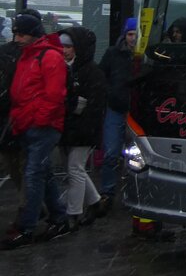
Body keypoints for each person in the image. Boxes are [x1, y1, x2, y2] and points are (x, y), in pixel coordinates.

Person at [1, 14, 70, 249]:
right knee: (42, 172)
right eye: (16, 33)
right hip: (31, 123)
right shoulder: (34, 54)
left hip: (39, 126)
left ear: (34, 34)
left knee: (33, 174)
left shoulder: (47, 56)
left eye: (21, 34)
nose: (17, 38)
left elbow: (54, 95)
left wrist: (37, 119)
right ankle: (59, 218)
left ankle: (26, 227)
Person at [58, 27, 106, 229]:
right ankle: (94, 202)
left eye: (68, 46)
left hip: (82, 129)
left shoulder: (88, 72)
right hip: (75, 128)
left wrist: (72, 104)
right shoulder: (73, 68)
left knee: (74, 168)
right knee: (76, 168)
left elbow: (93, 104)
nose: (64, 50)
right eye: (62, 46)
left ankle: (74, 213)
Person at [97, 17, 138, 214]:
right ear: (125, 35)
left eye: (135, 34)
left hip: (134, 111)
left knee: (135, 156)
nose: (133, 38)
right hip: (117, 108)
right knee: (111, 153)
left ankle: (129, 192)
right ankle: (108, 192)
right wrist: (109, 93)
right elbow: (101, 75)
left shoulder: (142, 56)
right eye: (130, 34)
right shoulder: (114, 54)